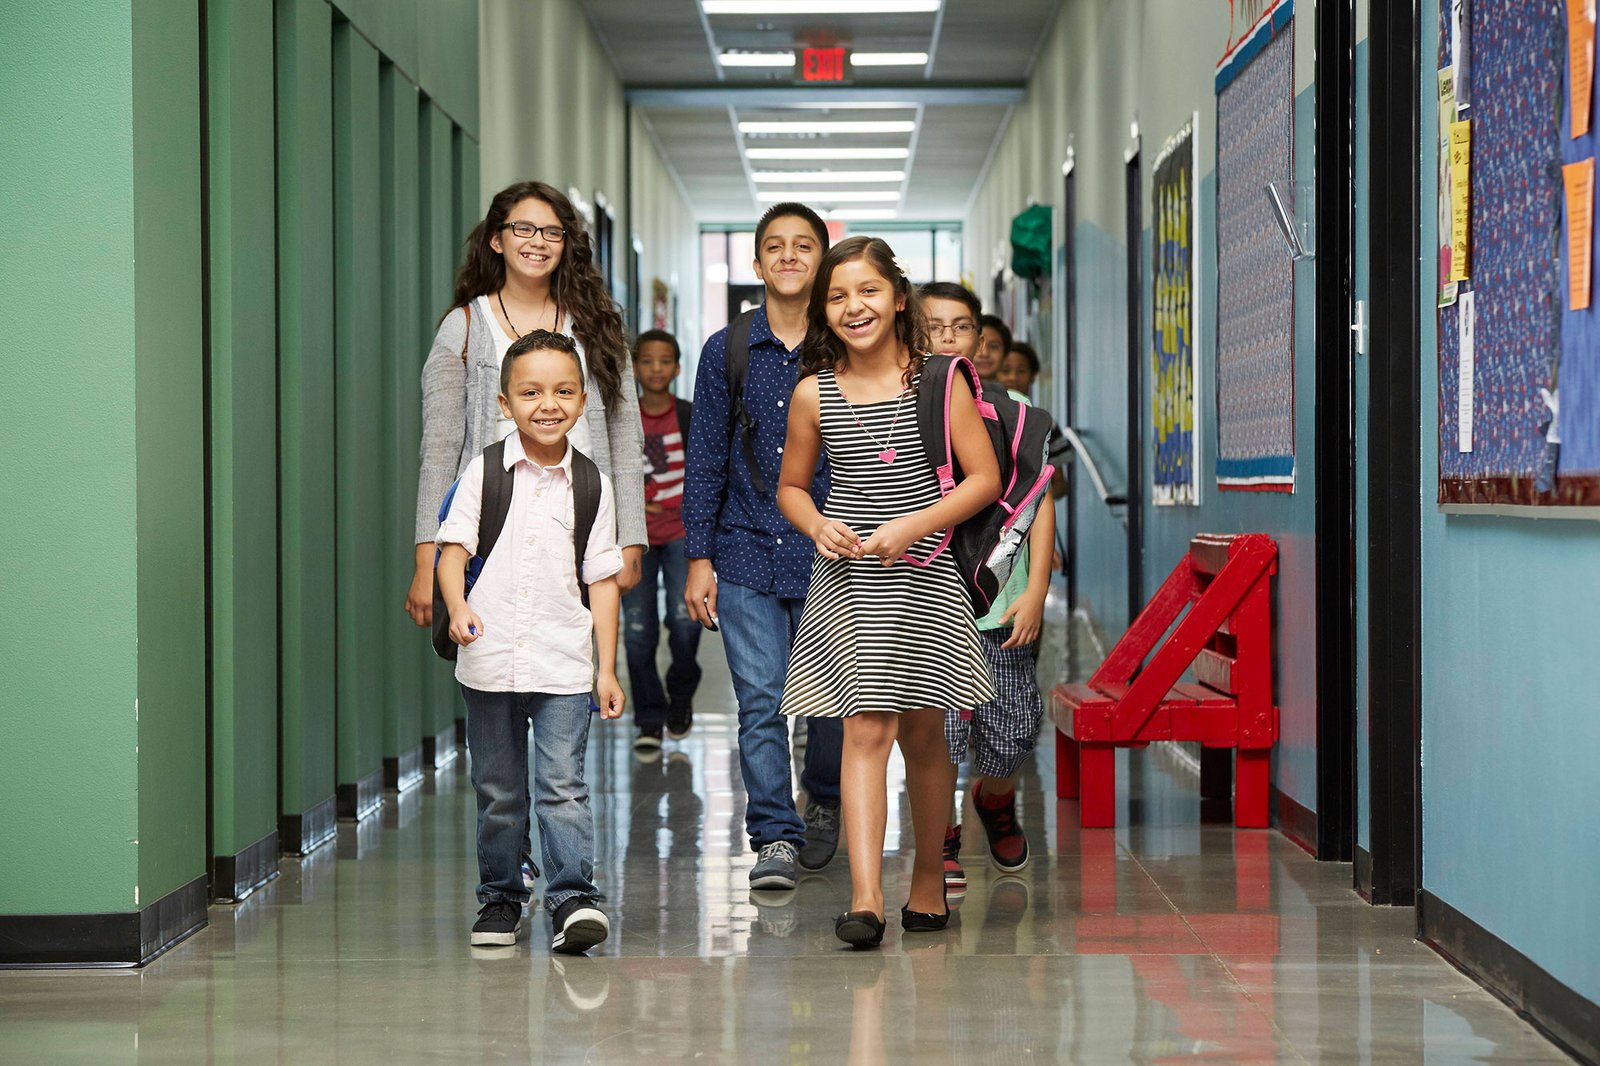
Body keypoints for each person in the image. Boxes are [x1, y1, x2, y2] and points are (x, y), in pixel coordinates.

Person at [411, 180, 647, 893]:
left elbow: (624, 429)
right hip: (486, 539)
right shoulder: (466, 326)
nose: (537, 241)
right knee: (497, 698)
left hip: (579, 526)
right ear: (496, 238)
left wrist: (628, 535)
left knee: (564, 679)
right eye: (523, 228)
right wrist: (427, 558)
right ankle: (506, 864)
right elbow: (439, 447)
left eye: (552, 230)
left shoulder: (597, 322)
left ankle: (566, 873)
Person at [777, 237, 1000, 948]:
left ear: (898, 297)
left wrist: (913, 526)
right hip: (850, 581)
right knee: (864, 727)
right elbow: (790, 487)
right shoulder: (814, 392)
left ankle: (927, 882)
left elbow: (984, 479)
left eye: (868, 291)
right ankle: (867, 898)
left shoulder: (939, 381)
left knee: (924, 733)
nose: (854, 307)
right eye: (837, 297)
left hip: (926, 574)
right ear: (823, 310)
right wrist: (818, 524)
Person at [436, 330, 624, 953]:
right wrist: (457, 605)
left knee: (563, 786)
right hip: (487, 659)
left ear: (580, 399)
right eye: (531, 391)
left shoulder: (592, 483)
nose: (548, 403)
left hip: (564, 662)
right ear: (504, 402)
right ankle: (501, 897)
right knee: (497, 790)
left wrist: (607, 668)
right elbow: (453, 549)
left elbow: (602, 579)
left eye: (563, 391)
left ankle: (573, 897)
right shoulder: (484, 470)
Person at [683, 202, 846, 889]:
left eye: (803, 245)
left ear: (821, 261)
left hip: (833, 546)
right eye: (774, 246)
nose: (788, 256)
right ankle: (774, 835)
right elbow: (706, 456)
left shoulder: (845, 343)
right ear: (756, 264)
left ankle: (828, 798)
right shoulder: (727, 350)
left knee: (832, 696)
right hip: (745, 546)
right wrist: (698, 556)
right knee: (761, 699)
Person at [920, 284, 1057, 893]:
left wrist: (1036, 593)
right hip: (929, 603)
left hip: (1003, 603)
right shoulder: (902, 403)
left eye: (961, 327)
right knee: (939, 734)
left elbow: (1038, 503)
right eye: (934, 327)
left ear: (981, 340)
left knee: (1013, 727)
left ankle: (993, 799)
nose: (948, 338)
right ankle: (940, 832)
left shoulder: (1015, 410)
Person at [625, 329, 702, 753]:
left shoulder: (690, 415)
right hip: (636, 539)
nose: (655, 369)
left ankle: (682, 694)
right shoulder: (623, 418)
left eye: (664, 361)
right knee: (638, 633)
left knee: (686, 623)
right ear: (635, 367)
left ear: (676, 367)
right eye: (647, 361)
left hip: (682, 535)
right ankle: (650, 720)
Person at [975, 314, 1012, 381]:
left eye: (993, 346)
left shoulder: (1011, 392)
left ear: (1005, 354)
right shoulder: (951, 391)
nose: (985, 353)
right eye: (978, 345)